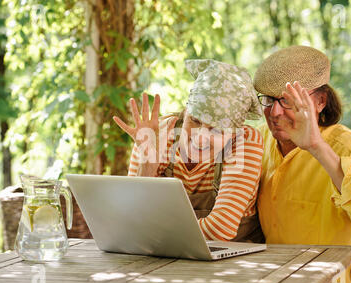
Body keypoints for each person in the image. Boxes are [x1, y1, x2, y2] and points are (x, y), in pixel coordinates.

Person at [253, 45, 351, 283]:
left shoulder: (345, 145)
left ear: (320, 101)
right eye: (268, 100)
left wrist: (317, 148)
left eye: (287, 100)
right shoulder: (259, 142)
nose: (275, 112)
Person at [113, 59, 265, 243]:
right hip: (164, 255)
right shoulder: (155, 134)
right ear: (185, 112)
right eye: (195, 120)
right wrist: (148, 166)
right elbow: (131, 217)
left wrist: (149, 230)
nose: (200, 138)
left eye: (216, 129)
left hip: (236, 259)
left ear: (233, 133)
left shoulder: (245, 141)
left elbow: (220, 230)